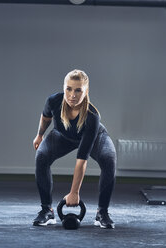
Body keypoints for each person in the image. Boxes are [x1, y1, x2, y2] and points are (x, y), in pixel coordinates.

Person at [32, 69, 116, 229]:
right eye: (68, 89)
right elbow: (45, 117)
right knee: (41, 155)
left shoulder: (92, 117)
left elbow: (81, 159)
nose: (72, 95)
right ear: (63, 88)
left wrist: (74, 192)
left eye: (78, 90)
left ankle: (102, 212)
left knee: (108, 158)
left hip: (95, 137)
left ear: (86, 91)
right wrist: (39, 135)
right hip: (63, 137)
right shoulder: (54, 101)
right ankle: (46, 211)